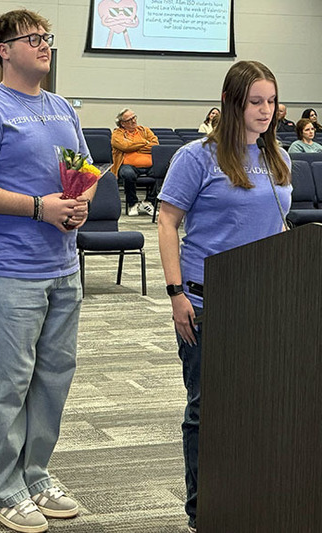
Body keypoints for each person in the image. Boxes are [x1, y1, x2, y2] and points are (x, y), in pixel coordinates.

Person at [0, 9, 92, 533]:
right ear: (3, 51)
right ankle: (0, 486)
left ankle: (35, 473)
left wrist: (79, 200)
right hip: (9, 266)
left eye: (47, 38)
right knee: (9, 379)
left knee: (54, 375)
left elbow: (80, 171)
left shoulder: (60, 108)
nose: (44, 46)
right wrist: (39, 207)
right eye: (32, 39)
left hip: (61, 263)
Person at [157, 60, 291, 533]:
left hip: (265, 298)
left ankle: (250, 493)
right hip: (206, 297)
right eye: (256, 102)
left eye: (271, 101)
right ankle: (203, 510)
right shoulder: (198, 156)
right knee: (207, 407)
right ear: (233, 104)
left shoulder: (279, 157)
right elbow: (167, 221)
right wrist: (175, 293)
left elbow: (275, 226)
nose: (266, 110)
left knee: (258, 404)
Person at [111, 108, 159, 216]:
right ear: (122, 123)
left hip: (150, 165)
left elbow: (155, 145)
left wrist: (133, 145)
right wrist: (144, 142)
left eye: (134, 117)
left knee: (162, 171)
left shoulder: (145, 130)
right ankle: (132, 203)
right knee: (128, 174)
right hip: (127, 165)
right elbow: (124, 146)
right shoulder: (117, 134)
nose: (133, 121)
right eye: (129, 119)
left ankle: (148, 202)